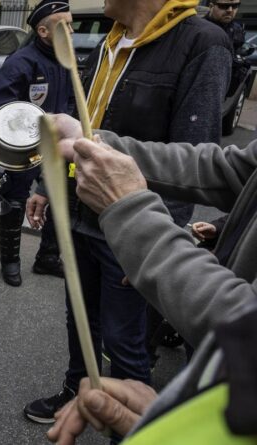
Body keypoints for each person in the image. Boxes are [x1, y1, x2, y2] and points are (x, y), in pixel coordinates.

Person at [24, 0, 232, 424]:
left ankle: (132, 427)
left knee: (124, 340)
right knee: (79, 319)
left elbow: (196, 159)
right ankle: (75, 390)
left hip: (131, 228)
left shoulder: (202, 43)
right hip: (82, 213)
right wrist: (47, 186)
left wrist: (155, 241)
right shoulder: (111, 41)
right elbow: (87, 136)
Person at [40, 114, 257, 444]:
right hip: (219, 378)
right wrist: (97, 143)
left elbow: (245, 321)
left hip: (235, 389)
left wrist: (135, 216)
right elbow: (228, 168)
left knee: (124, 342)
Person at [0, 0, 73, 287]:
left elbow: (73, 104)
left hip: (61, 150)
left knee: (62, 200)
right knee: (15, 204)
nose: (71, 31)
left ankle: (47, 257)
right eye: (65, 25)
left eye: (72, 24)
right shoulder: (21, 63)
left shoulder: (67, 60)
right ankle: (10, 261)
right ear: (44, 31)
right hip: (26, 152)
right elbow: (0, 110)